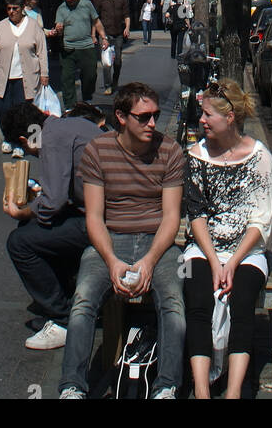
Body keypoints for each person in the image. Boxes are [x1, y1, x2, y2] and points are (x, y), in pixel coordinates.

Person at [58, 82, 186, 399]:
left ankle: (166, 385)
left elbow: (171, 217)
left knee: (173, 306)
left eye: (155, 115)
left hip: (158, 242)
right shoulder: (97, 151)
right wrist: (113, 261)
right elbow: (94, 217)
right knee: (83, 302)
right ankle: (73, 385)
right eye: (143, 117)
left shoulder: (170, 151)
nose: (152, 124)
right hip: (111, 239)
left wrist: (148, 261)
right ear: (121, 117)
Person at [183, 79, 272, 400]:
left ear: (230, 117)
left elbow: (260, 221)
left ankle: (234, 390)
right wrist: (213, 261)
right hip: (203, 249)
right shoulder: (196, 156)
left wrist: (232, 263)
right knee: (197, 300)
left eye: (208, 114)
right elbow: (196, 216)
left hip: (246, 252)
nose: (202, 120)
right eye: (201, 114)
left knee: (243, 300)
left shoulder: (259, 157)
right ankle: (202, 389)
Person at [3, 99, 108, 351]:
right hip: (102, 211)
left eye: (25, 148)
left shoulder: (51, 139)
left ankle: (63, 317)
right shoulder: (67, 125)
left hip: (105, 221)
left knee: (19, 243)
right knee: (34, 232)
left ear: (25, 138)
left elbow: (54, 202)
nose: (31, 153)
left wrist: (23, 213)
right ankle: (66, 297)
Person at [0, 0, 50, 144]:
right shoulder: (1, 27)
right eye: (9, 8)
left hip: (26, 78)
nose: (11, 12)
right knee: (1, 108)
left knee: (24, 112)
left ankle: (22, 142)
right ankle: (8, 138)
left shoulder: (34, 26)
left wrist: (44, 73)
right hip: (4, 78)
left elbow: (42, 52)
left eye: (15, 8)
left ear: (22, 9)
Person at [55, 0, 107, 110]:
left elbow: (96, 21)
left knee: (90, 75)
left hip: (86, 46)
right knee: (67, 78)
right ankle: (70, 106)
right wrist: (59, 29)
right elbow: (58, 28)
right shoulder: (61, 9)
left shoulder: (86, 4)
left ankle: (87, 100)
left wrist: (103, 37)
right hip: (68, 47)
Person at [95, 0, 130, 95]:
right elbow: (95, 18)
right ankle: (107, 85)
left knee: (118, 61)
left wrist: (127, 28)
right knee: (106, 62)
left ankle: (115, 81)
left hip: (118, 34)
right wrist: (94, 34)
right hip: (105, 34)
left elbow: (126, 15)